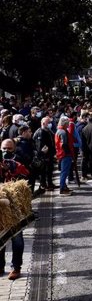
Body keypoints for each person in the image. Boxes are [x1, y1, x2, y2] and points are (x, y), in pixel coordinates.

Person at [0, 138, 29, 280]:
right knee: (1, 238)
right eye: (4, 148)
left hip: (15, 208)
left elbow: (26, 179)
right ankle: (0, 266)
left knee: (17, 238)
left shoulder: (17, 165)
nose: (6, 151)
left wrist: (10, 171)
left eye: (9, 149)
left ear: (14, 149)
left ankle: (16, 267)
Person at [33, 116, 56, 191]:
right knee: (43, 171)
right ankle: (43, 184)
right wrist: (44, 156)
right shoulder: (40, 132)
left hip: (50, 154)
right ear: (43, 123)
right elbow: (40, 146)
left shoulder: (48, 130)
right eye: (48, 122)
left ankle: (50, 183)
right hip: (44, 156)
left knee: (50, 170)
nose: (50, 124)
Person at [55, 116, 74, 195]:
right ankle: (62, 188)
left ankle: (64, 186)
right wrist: (68, 152)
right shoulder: (63, 132)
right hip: (65, 154)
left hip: (62, 153)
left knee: (64, 171)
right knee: (64, 172)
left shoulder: (59, 131)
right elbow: (64, 144)